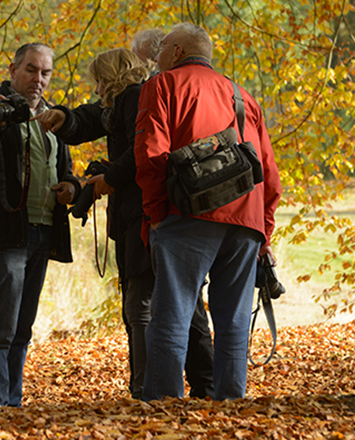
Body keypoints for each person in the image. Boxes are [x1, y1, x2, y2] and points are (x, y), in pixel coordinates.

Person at [33, 47, 214, 400]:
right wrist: (64, 118)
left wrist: (106, 181)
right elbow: (91, 119)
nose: (97, 90)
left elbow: (138, 152)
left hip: (144, 217)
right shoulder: (128, 102)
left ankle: (149, 387)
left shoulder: (135, 99)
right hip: (152, 217)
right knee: (183, 302)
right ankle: (201, 384)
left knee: (142, 306)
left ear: (113, 77)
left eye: (99, 81)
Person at [134, 23, 282, 401]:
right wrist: (263, 231)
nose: (158, 55)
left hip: (187, 216)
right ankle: (231, 405)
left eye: (163, 47)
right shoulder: (242, 96)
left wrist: (155, 216)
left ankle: (164, 406)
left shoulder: (162, 86)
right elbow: (268, 170)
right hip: (245, 220)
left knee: (173, 314)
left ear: (178, 52)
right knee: (233, 321)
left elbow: (150, 155)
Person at [0, 43, 80, 409]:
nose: (38, 79)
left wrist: (72, 187)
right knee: (1, 326)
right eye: (31, 70)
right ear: (13, 69)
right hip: (5, 231)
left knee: (23, 326)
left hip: (44, 229)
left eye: (45, 73)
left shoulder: (53, 117)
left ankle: (12, 400)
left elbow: (65, 166)